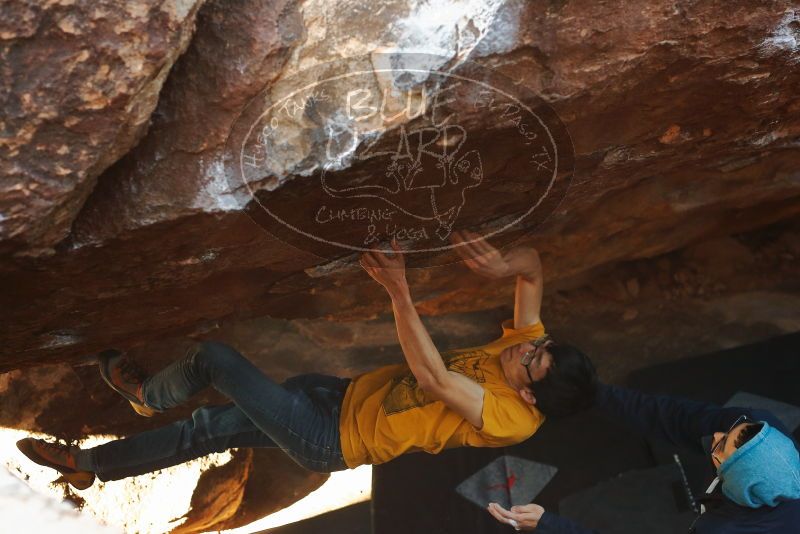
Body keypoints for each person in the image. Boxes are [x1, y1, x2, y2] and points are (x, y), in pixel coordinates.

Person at [17, 232, 597, 490]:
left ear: (529, 396)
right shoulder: (527, 352)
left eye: (532, 362)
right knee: (210, 429)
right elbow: (532, 269)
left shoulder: (511, 419)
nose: (525, 349)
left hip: (329, 438)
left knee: (215, 360)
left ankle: (147, 396)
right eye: (537, 346)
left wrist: (398, 292)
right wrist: (505, 267)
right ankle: (93, 466)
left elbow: (433, 378)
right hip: (336, 395)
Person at [486, 383, 800, 533]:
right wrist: (590, 393)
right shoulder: (760, 424)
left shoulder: (723, 531)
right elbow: (671, 416)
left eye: (722, 449)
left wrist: (548, 524)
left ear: (741, 486)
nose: (715, 437)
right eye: (730, 431)